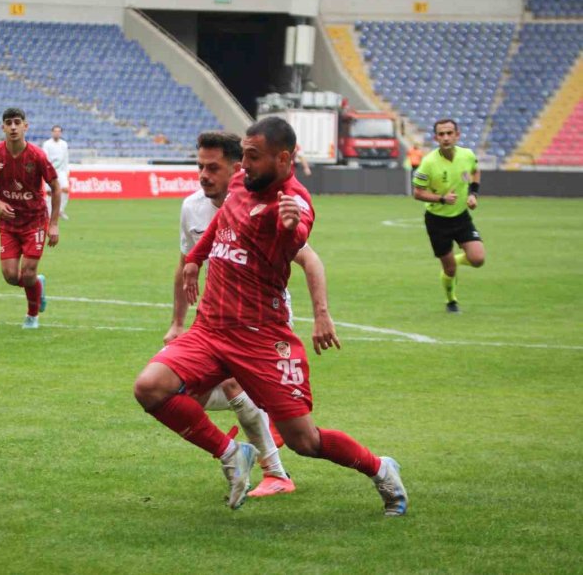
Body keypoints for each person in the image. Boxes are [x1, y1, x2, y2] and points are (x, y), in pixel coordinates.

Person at [134, 116, 407, 515]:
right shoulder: (242, 185)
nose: (243, 166)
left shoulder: (293, 202)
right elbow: (222, 223)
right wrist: (194, 260)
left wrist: (292, 230)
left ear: (283, 158)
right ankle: (232, 454)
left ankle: (380, 468)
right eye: (242, 156)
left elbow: (295, 243)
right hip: (210, 328)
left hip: (260, 338)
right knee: (150, 387)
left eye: (252, 157)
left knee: (305, 441)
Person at [165, 131, 341, 498]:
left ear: (238, 168)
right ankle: (261, 457)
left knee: (235, 387)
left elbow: (309, 258)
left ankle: (273, 470)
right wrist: (177, 323)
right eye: (199, 166)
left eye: (213, 168)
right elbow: (186, 263)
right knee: (185, 395)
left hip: (264, 319)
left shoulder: (264, 202)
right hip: (217, 319)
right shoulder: (192, 207)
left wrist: (322, 314)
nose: (203, 175)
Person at [0, 108, 61, 329]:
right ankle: (37, 285)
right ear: (3, 127)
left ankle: (32, 316)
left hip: (34, 221)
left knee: (28, 273)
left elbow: (55, 186)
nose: (13, 127)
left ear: (26, 126)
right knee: (10, 276)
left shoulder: (37, 156)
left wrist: (53, 224)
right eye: (9, 123)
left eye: (17, 122)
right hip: (8, 223)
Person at [412, 119, 484, 313]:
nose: (445, 137)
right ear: (436, 138)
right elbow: (417, 193)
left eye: (449, 133)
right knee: (450, 270)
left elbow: (476, 171)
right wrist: (441, 199)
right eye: (441, 134)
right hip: (437, 221)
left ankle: (457, 259)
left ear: (457, 135)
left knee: (478, 259)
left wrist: (472, 194)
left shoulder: (467, 155)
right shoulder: (428, 162)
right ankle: (451, 300)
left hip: (461, 217)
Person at [42, 125, 70, 220]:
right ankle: (49, 212)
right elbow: (45, 158)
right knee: (50, 192)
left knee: (65, 189)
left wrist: (67, 171)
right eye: (55, 131)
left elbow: (66, 158)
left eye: (58, 131)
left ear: (61, 133)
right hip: (50, 171)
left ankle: (60, 210)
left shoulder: (64, 144)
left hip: (61, 171)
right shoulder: (47, 144)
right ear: (52, 132)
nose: (57, 133)